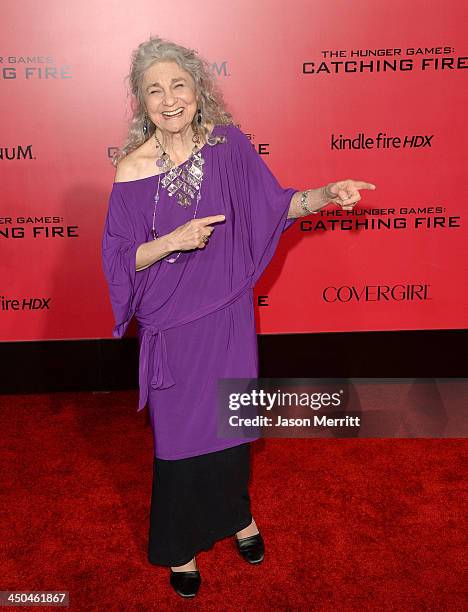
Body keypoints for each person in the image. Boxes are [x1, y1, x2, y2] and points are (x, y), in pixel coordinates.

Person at [101, 35, 376, 599]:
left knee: (231, 429)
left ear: (197, 91)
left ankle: (237, 517)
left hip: (227, 319)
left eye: (178, 84)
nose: (169, 98)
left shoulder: (228, 147)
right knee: (178, 441)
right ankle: (178, 546)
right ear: (141, 101)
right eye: (154, 90)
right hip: (174, 329)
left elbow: (278, 205)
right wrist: (172, 241)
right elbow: (120, 258)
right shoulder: (131, 169)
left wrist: (328, 192)